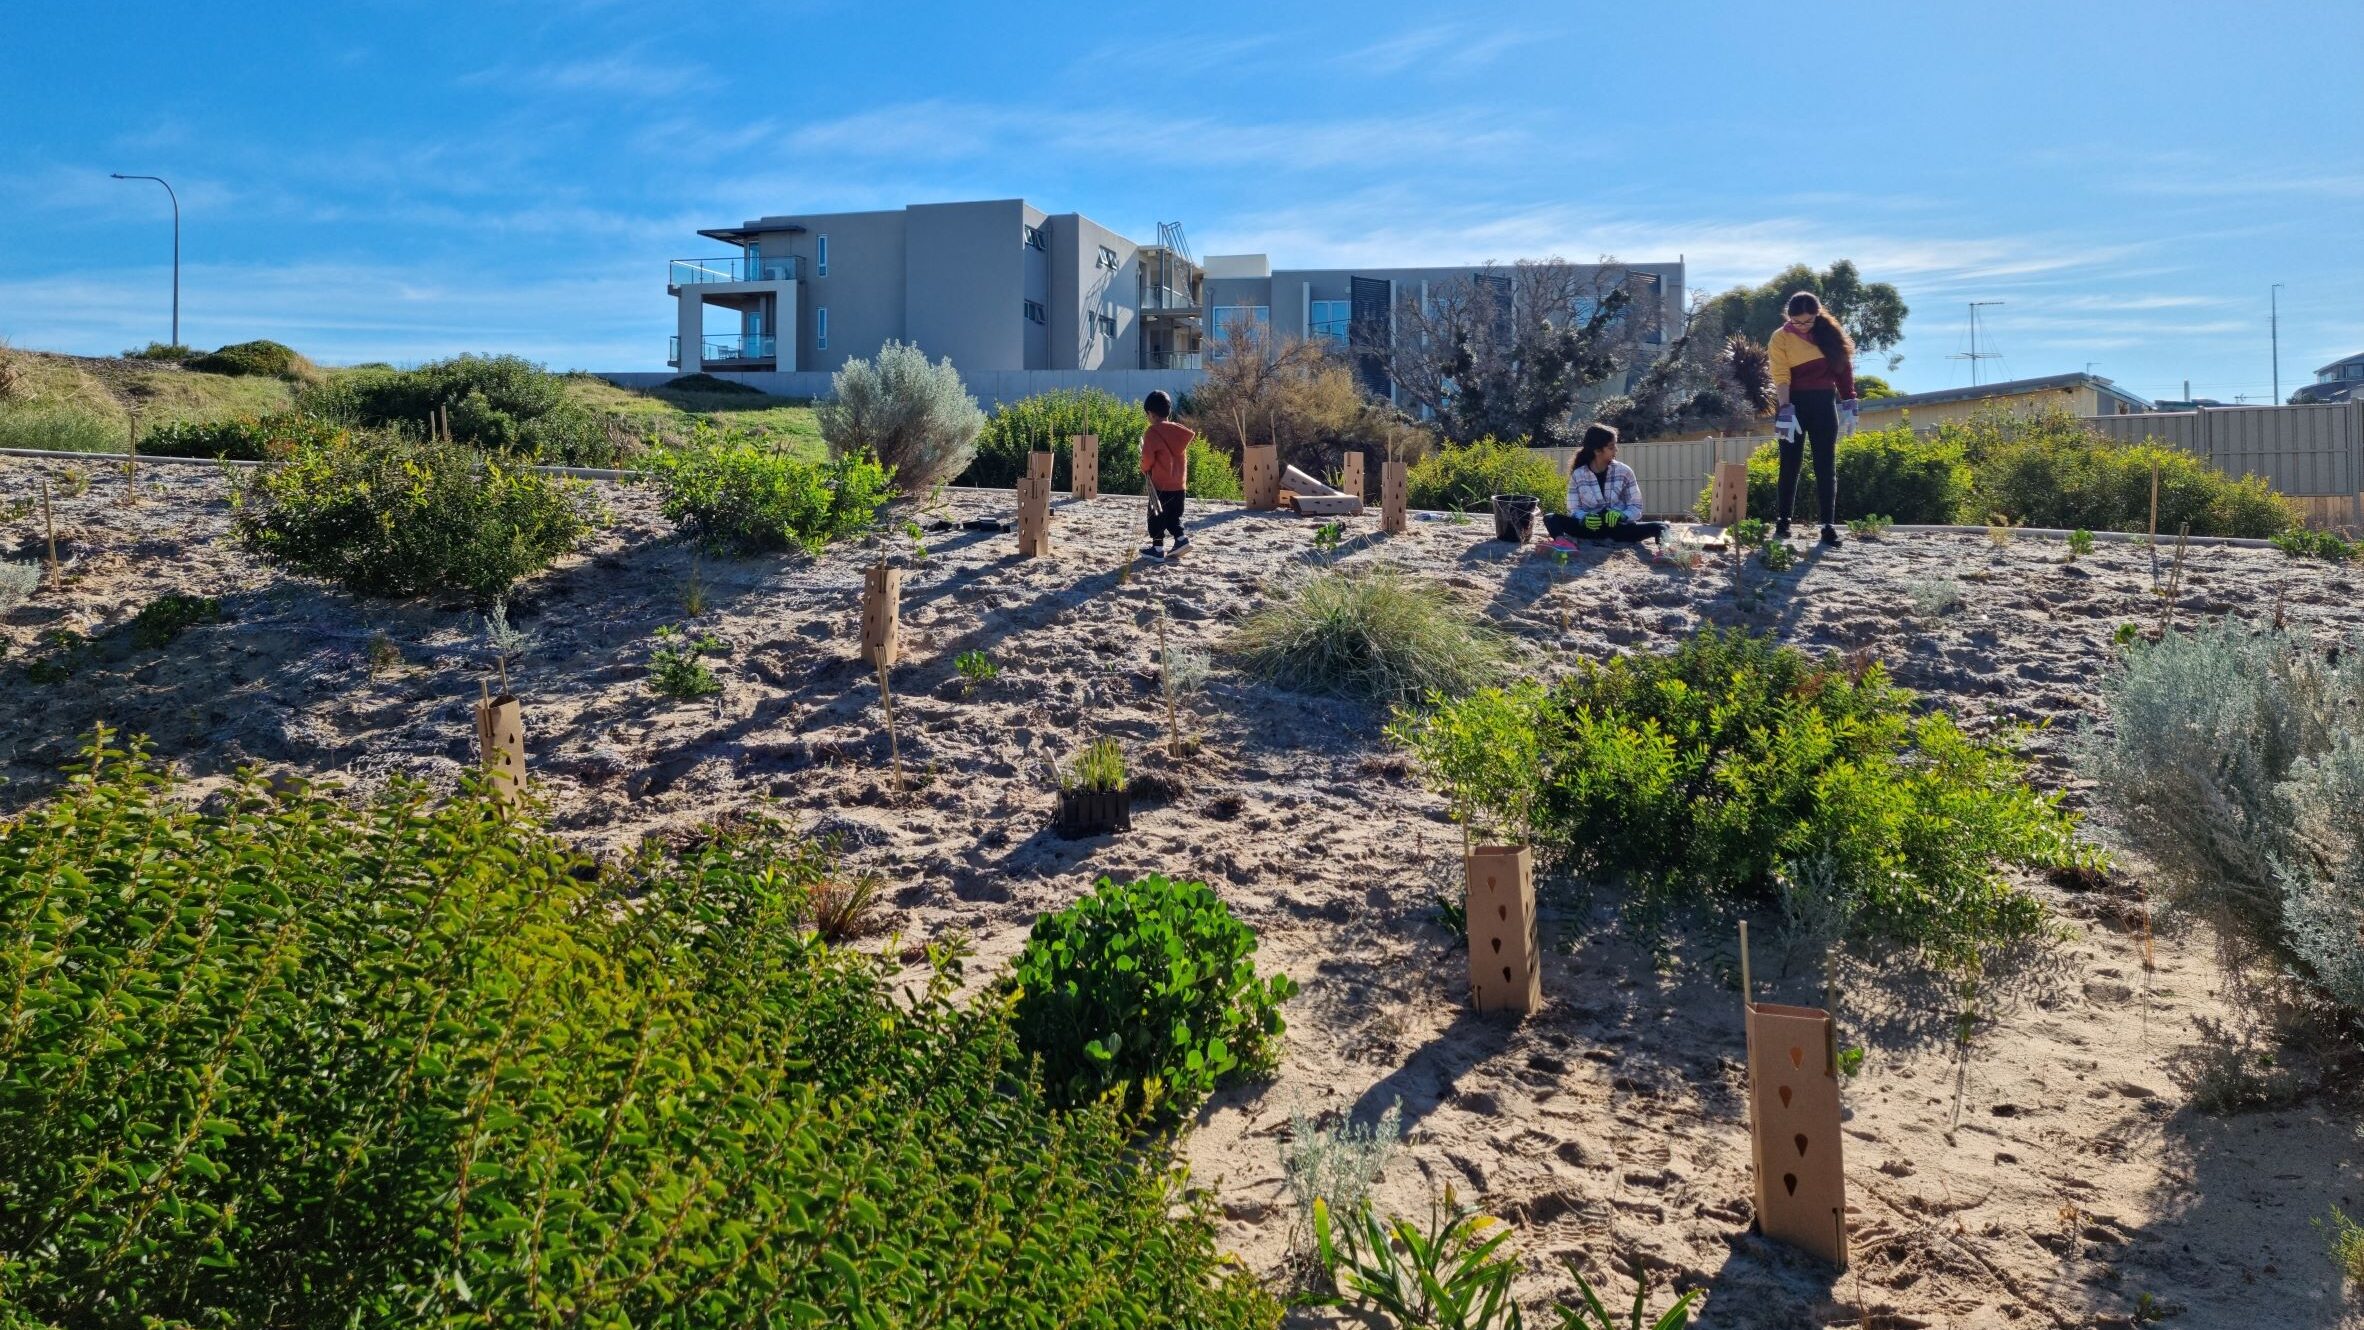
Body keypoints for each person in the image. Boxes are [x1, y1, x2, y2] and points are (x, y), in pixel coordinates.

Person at [1767, 291, 1861, 545]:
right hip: (1793, 406)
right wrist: (1786, 408)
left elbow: (1843, 370)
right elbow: (1781, 374)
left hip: (1823, 404)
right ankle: (1783, 521)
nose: (1803, 326)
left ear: (1817, 315)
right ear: (1789, 317)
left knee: (1825, 465)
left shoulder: (1829, 333)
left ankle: (1827, 526)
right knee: (1789, 465)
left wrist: (1850, 401)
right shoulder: (1780, 337)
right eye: (1797, 322)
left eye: (1808, 321)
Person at [1544, 423, 1666, 546]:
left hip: (1620, 529)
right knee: (1550, 518)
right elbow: (1574, 509)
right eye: (1611, 447)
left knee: (1661, 526)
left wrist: (1622, 515)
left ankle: (1665, 551)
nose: (1616, 450)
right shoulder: (1578, 475)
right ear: (1597, 451)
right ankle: (1563, 545)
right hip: (1589, 530)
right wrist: (1585, 518)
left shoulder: (1624, 471)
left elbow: (1636, 507)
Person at [1138, 390, 1195, 559]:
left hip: (1161, 485)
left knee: (1155, 516)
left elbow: (1148, 458)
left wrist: (1144, 468)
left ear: (1151, 413)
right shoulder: (1178, 432)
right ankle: (1181, 539)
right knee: (1173, 517)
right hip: (1179, 485)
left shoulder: (1153, 432)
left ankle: (1157, 549)